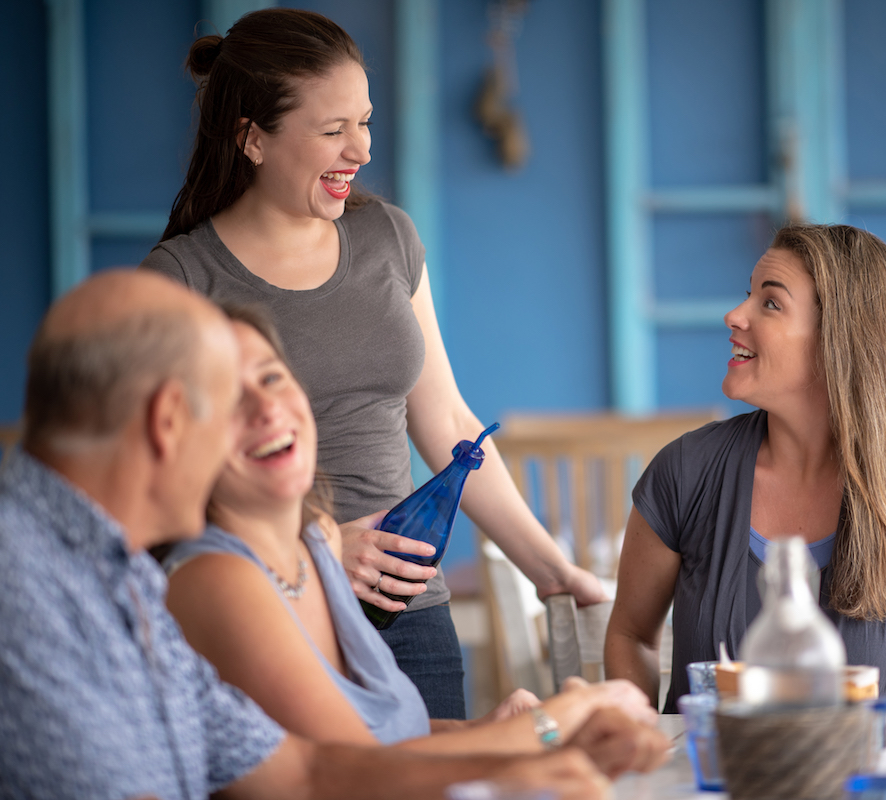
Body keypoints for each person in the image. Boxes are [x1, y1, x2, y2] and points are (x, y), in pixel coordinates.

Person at [0, 270, 669, 799]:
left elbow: (305, 776)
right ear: (170, 420)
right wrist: (532, 744)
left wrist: (525, 758)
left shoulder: (127, 581)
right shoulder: (22, 581)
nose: (260, 418)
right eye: (224, 404)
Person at [140, 6, 605, 719]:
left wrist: (549, 570)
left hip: (409, 607)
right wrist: (319, 543)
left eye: (365, 121)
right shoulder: (182, 278)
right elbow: (170, 493)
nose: (359, 150)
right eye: (333, 130)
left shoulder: (388, 237)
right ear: (252, 139)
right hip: (272, 609)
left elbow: (447, 420)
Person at [160, 304, 661, 753]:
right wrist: (542, 730)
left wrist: (489, 728)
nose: (267, 409)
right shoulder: (218, 579)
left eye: (272, 378)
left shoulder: (317, 540)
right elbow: (337, 773)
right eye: (227, 400)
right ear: (176, 436)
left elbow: (373, 737)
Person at [604, 223, 886, 714]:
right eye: (749, 296)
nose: (734, 315)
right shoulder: (684, 472)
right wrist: (642, 743)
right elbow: (631, 634)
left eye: (770, 303)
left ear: (840, 340)